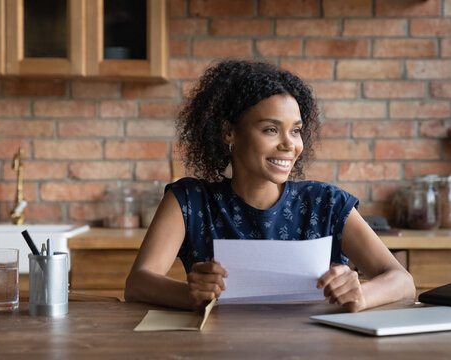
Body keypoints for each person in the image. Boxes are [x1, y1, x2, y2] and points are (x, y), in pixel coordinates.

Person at [125, 60, 415, 312]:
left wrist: (361, 294)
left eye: (296, 131)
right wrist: (190, 294)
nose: (289, 144)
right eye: (271, 130)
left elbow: (402, 281)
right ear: (229, 132)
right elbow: (138, 283)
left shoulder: (326, 203)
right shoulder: (189, 201)